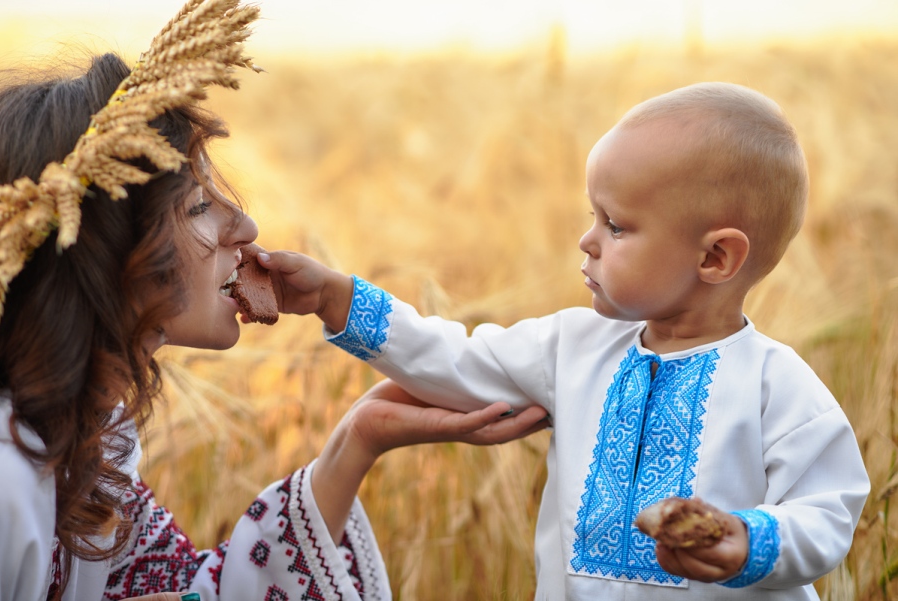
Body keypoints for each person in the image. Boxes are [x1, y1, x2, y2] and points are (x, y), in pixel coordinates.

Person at [0, 2, 549, 600]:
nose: (248, 227)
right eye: (201, 207)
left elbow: (183, 593)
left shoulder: (93, 435)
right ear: (103, 244)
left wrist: (358, 438)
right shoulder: (6, 479)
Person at [259, 82, 871, 599]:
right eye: (592, 217)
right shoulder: (571, 346)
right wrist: (337, 300)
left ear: (715, 257)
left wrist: (750, 541)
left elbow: (827, 510)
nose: (588, 241)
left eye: (617, 225)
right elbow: (456, 361)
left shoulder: (777, 384)